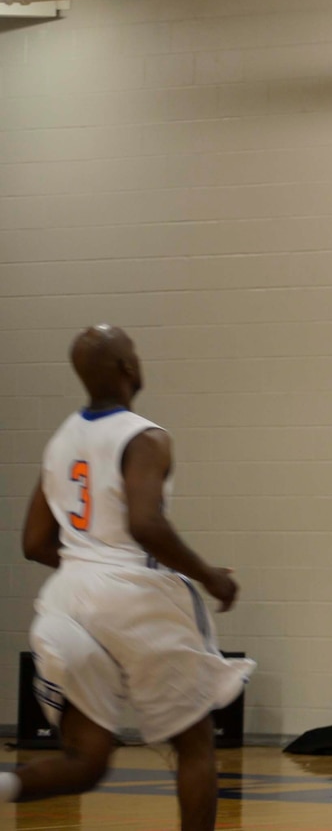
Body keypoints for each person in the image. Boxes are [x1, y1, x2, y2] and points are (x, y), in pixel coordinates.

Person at [6, 325, 251, 831]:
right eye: (133, 352)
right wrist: (211, 577)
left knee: (87, 762)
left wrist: (90, 562)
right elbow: (145, 524)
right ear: (127, 369)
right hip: (135, 599)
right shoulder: (145, 437)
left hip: (66, 602)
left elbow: (33, 543)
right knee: (195, 743)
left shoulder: (59, 442)